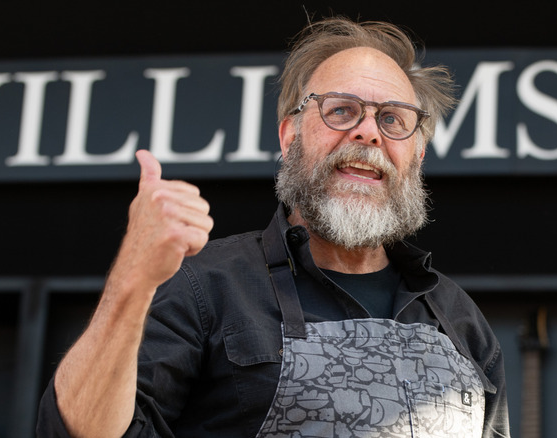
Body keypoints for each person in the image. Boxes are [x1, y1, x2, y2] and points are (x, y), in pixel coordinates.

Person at [37, 16, 510, 438]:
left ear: (417, 156)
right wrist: (132, 279)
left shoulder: (461, 320)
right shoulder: (205, 287)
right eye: (341, 110)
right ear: (290, 137)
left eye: (392, 119)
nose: (369, 133)